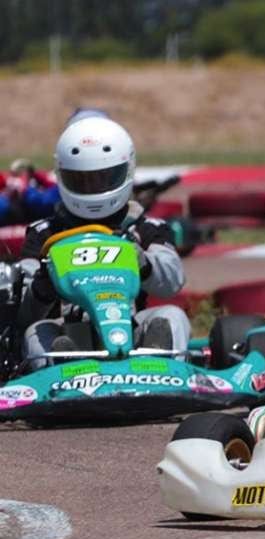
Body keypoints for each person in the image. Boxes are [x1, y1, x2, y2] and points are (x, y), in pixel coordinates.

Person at [18, 115, 190, 365]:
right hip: (66, 332)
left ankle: (157, 362)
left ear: (126, 171)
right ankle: (65, 369)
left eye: (103, 179)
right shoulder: (44, 234)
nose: (92, 188)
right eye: (82, 181)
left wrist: (145, 264)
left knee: (173, 316)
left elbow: (173, 281)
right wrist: (42, 287)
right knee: (36, 332)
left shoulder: (146, 229)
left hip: (131, 332)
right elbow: (24, 313)